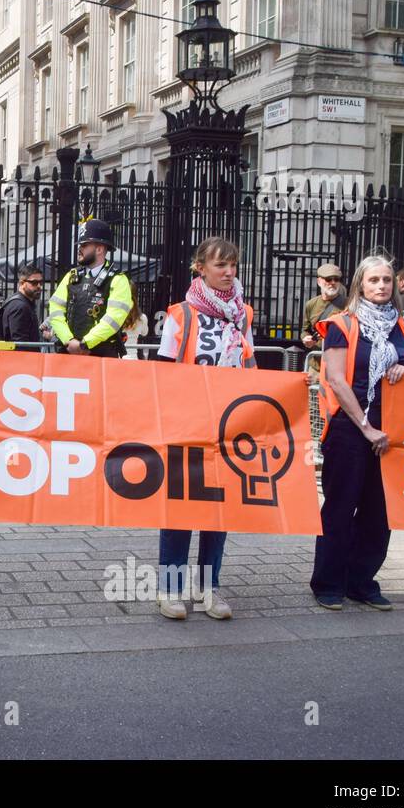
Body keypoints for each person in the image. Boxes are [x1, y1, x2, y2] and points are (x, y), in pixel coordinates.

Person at [154, 237, 257, 621]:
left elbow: (249, 365)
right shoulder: (181, 313)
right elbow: (165, 369)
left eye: (233, 265)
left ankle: (208, 588)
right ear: (200, 268)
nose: (229, 272)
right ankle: (169, 589)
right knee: (180, 509)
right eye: (220, 265)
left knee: (219, 511)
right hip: (188, 421)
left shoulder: (243, 313)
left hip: (229, 424)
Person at [311, 254, 404, 611]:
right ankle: (328, 582)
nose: (381, 286)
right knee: (341, 508)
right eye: (374, 280)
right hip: (350, 428)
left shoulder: (401, 326)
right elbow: (338, 381)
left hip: (391, 431)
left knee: (380, 511)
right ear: (360, 283)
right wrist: (366, 427)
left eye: (387, 280)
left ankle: (361, 581)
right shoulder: (341, 324)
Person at [47, 218, 134, 358]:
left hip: (101, 355)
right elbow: (55, 309)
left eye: (85, 245)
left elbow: (114, 318)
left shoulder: (118, 279)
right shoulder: (71, 275)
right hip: (68, 351)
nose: (79, 248)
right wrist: (69, 341)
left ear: (99, 249)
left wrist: (84, 344)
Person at [0, 260, 45, 345]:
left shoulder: (22, 302)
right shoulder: (19, 306)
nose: (39, 286)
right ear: (22, 283)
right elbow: (20, 343)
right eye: (34, 283)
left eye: (40, 282)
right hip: (21, 357)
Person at [301, 263, 347, 350]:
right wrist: (306, 338)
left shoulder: (349, 304)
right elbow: (305, 330)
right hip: (316, 359)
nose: (333, 283)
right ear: (319, 282)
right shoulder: (311, 304)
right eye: (328, 279)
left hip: (339, 357)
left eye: (336, 279)